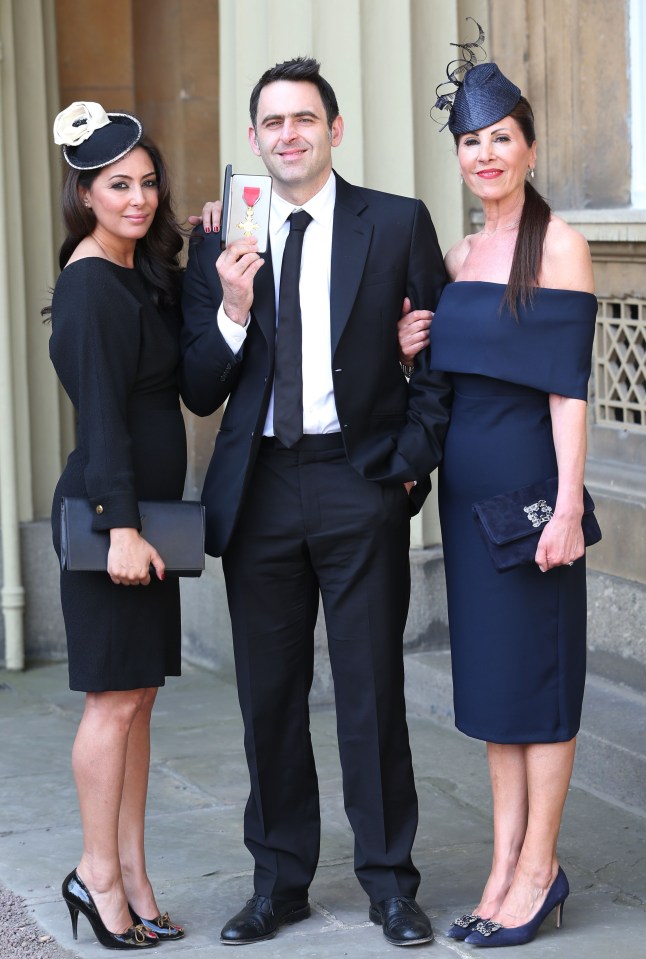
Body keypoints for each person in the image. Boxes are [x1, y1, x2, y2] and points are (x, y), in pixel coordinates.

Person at [180, 57, 452, 947]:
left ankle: (389, 882)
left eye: (305, 118)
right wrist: (228, 303)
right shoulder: (222, 239)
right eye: (272, 122)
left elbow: (437, 358)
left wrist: (409, 466)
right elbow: (198, 387)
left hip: (357, 478)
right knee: (270, 696)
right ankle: (280, 881)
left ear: (335, 130)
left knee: (372, 687)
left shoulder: (398, 222)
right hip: (259, 490)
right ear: (254, 137)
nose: (288, 133)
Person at [399, 26, 596, 948]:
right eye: (470, 142)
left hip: (529, 502)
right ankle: (503, 860)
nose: (485, 154)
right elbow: (445, 377)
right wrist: (413, 347)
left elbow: (568, 392)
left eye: (500, 137)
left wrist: (566, 506)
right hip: (462, 499)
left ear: (526, 142)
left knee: (540, 689)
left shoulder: (559, 245)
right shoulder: (461, 257)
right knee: (491, 693)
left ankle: (539, 868)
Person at [46, 101, 186, 949]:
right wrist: (121, 527)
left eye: (145, 182)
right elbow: (100, 417)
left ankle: (132, 870)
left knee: (136, 699)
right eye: (117, 186)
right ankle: (95, 872)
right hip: (114, 523)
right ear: (86, 195)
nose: (137, 198)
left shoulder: (137, 270)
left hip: (144, 525)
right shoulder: (90, 279)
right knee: (110, 703)